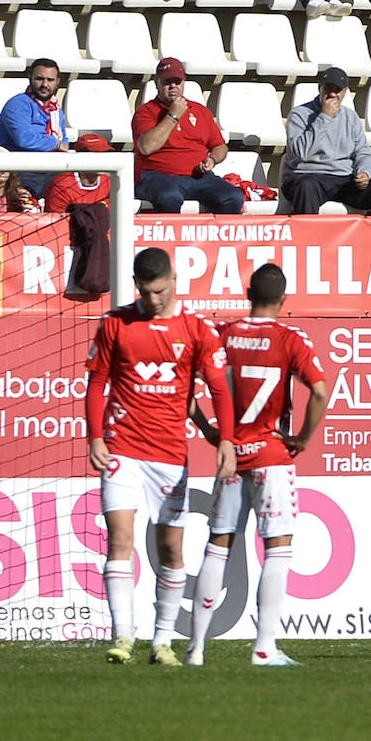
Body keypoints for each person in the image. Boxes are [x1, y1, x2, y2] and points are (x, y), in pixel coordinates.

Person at [85, 247, 235, 666]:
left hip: (169, 454)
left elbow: (219, 388)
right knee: (119, 539)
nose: (153, 300)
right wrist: (96, 437)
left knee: (170, 550)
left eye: (160, 290)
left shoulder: (196, 329)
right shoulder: (116, 323)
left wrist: (222, 439)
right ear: (136, 286)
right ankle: (122, 638)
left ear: (173, 280)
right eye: (146, 292)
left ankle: (162, 641)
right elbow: (97, 383)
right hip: (122, 448)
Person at [186, 263, 329, 668]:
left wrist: (211, 432)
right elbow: (319, 391)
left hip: (232, 456)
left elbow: (186, 390)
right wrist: (302, 437)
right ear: (283, 301)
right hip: (270, 456)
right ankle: (264, 647)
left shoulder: (223, 335)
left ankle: (196, 648)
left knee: (218, 546)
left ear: (248, 293)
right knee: (277, 549)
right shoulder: (289, 339)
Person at [129, 58, 245, 215]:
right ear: (157, 83)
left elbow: (220, 146)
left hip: (199, 177)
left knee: (233, 197)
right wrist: (173, 116)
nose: (173, 86)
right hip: (157, 176)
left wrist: (212, 160)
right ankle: (171, 240)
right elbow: (146, 147)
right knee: (169, 197)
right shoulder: (146, 111)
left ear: (183, 82)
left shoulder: (199, 110)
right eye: (167, 82)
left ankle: (211, 239)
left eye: (177, 81)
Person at [281, 67, 371, 216]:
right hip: (307, 175)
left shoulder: (351, 117)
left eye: (337, 90)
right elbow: (301, 153)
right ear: (320, 88)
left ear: (344, 92)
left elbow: (363, 151)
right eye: (328, 88)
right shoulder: (299, 114)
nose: (332, 94)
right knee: (306, 186)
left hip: (344, 178)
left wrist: (364, 172)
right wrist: (324, 117)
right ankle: (308, 238)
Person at [0, 58, 68, 197]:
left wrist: (58, 145)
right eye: (39, 79)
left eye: (50, 80)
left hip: (48, 169)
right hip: (18, 172)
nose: (44, 84)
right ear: (30, 78)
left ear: (58, 82)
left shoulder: (55, 108)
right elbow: (25, 140)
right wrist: (55, 143)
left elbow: (65, 141)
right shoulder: (18, 103)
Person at [44, 133, 113, 213]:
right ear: (81, 157)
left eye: (105, 154)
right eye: (97, 156)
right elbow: (55, 222)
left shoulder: (108, 182)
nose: (103, 160)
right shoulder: (61, 186)